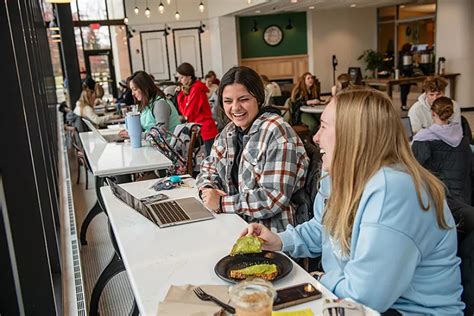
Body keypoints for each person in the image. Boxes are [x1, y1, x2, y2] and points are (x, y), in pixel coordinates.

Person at [241, 88, 464, 314]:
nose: (315, 137)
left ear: (353, 135)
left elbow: (364, 297)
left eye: (324, 126)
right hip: (351, 301)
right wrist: (279, 240)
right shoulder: (341, 176)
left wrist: (319, 279)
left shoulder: (394, 191)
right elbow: (323, 227)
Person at [196, 66, 308, 232]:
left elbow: (273, 198)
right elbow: (208, 167)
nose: (235, 108)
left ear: (259, 99)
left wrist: (221, 203)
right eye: (228, 101)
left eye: (243, 99)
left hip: (271, 235)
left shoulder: (277, 132)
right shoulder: (230, 131)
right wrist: (207, 190)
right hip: (234, 223)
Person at [411, 96, 472, 226]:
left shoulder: (423, 140)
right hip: (465, 200)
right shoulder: (463, 140)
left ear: (433, 113)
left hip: (438, 202)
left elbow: (413, 170)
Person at [118, 71, 180, 138]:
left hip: (169, 146)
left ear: (144, 87)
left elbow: (160, 134)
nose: (132, 93)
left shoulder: (160, 104)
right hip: (155, 146)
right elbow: (146, 128)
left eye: (135, 89)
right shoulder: (147, 105)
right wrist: (129, 131)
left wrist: (135, 135)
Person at [176, 62, 218, 155]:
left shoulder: (196, 89)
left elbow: (188, 114)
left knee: (209, 160)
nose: (179, 80)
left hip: (206, 130)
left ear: (189, 77)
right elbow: (184, 111)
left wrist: (180, 95)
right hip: (199, 130)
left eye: (181, 77)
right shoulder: (190, 89)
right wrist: (180, 95)